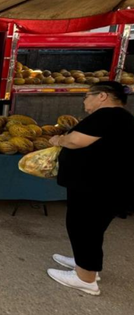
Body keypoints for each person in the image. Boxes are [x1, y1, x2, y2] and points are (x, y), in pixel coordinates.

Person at [47, 81, 134, 296]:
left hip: (99, 187)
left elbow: (77, 141)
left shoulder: (108, 115)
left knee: (84, 226)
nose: (85, 100)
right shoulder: (119, 117)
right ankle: (84, 264)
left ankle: (85, 278)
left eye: (87, 96)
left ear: (102, 96)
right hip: (103, 185)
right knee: (90, 228)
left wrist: (59, 139)